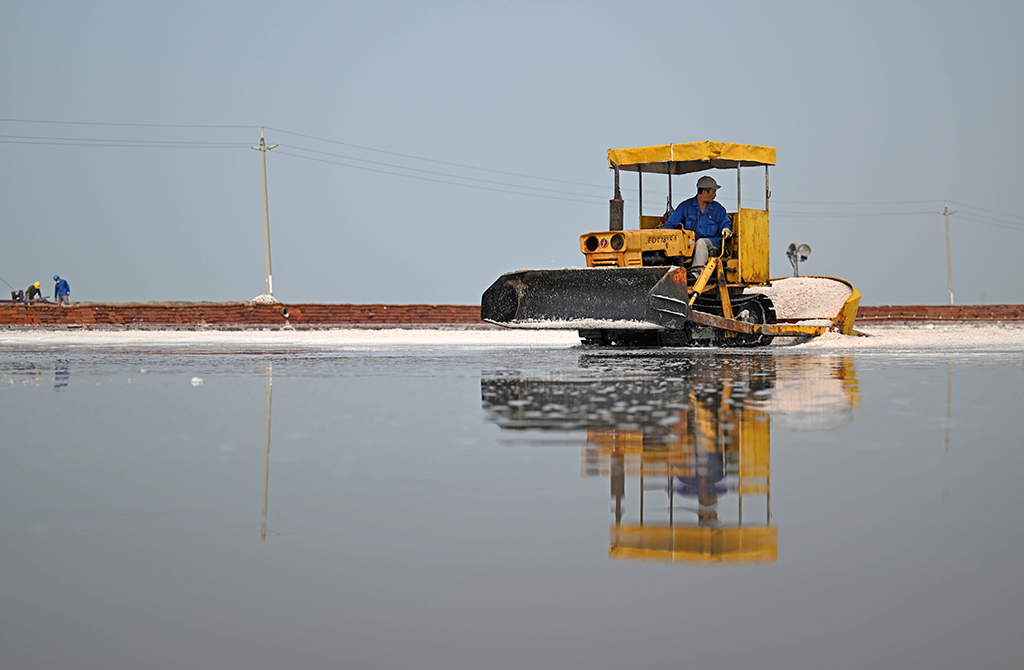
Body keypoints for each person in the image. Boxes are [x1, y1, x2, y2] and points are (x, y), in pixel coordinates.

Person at [664, 175, 732, 276]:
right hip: (689, 245)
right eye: (713, 192)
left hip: (712, 243)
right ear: (704, 192)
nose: (715, 195)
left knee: (701, 242)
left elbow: (726, 224)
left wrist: (726, 230)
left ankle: (696, 274)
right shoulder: (685, 207)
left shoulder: (718, 209)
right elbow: (670, 226)